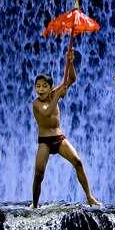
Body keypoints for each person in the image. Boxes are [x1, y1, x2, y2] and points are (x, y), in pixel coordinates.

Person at [32, 48, 100, 207]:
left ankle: (89, 197)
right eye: (38, 86)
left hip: (59, 138)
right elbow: (47, 113)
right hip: (45, 141)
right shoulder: (36, 103)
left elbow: (72, 78)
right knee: (39, 174)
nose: (40, 89)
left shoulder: (55, 92)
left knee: (78, 162)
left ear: (50, 87)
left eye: (44, 86)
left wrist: (69, 62)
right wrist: (56, 96)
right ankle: (34, 204)